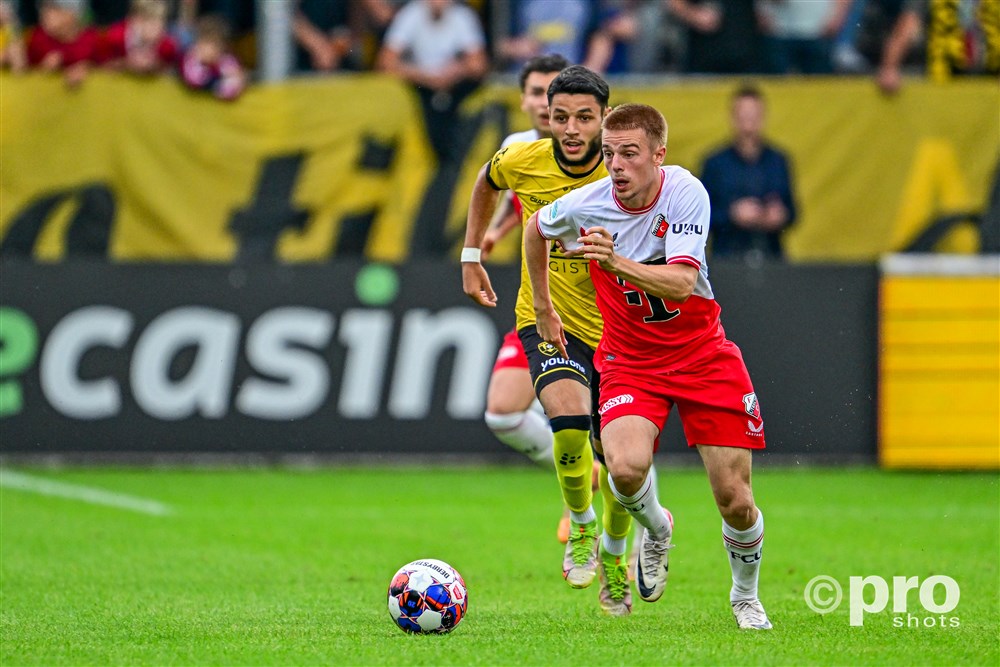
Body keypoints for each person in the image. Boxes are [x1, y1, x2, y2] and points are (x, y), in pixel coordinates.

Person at [523, 102, 772, 630]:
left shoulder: (686, 192)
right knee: (625, 467)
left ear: (659, 155)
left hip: (703, 354)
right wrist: (544, 306)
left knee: (735, 500)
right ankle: (657, 530)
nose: (615, 165)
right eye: (608, 153)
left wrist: (613, 261)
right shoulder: (587, 203)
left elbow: (682, 282)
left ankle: (745, 596)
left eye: (629, 154)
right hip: (630, 360)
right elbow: (534, 229)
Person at [462, 65, 636, 617]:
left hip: (618, 331)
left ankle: (615, 550)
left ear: (605, 120)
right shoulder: (522, 160)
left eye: (585, 117)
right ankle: (581, 524)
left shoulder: (627, 174)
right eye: (561, 117)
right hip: (545, 318)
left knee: (623, 467)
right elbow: (485, 184)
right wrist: (472, 256)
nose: (571, 128)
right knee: (564, 419)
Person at [376, 0, 489, 164]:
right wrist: (424, 76)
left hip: (453, 89)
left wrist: (454, 71)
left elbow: (479, 65)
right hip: (418, 88)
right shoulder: (411, 14)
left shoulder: (463, 16)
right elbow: (385, 63)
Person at [699, 84, 796, 262]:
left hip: (771, 256)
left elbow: (793, 211)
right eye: (743, 115)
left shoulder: (778, 160)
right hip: (727, 258)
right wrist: (731, 214)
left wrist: (780, 215)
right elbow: (699, 217)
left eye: (754, 115)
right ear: (733, 117)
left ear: (763, 117)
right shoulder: (714, 163)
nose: (749, 121)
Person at [26, 0, 100, 87]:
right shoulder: (38, 38)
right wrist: (43, 68)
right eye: (43, 7)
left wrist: (86, 66)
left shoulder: (92, 39)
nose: (45, 14)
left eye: (54, 8)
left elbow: (109, 67)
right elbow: (25, 69)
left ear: (72, 14)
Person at [97, 0, 180, 75]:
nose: (159, 30)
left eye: (162, 24)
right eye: (153, 24)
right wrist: (126, 63)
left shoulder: (167, 47)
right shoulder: (114, 37)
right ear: (136, 21)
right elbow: (97, 64)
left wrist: (156, 65)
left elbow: (172, 68)